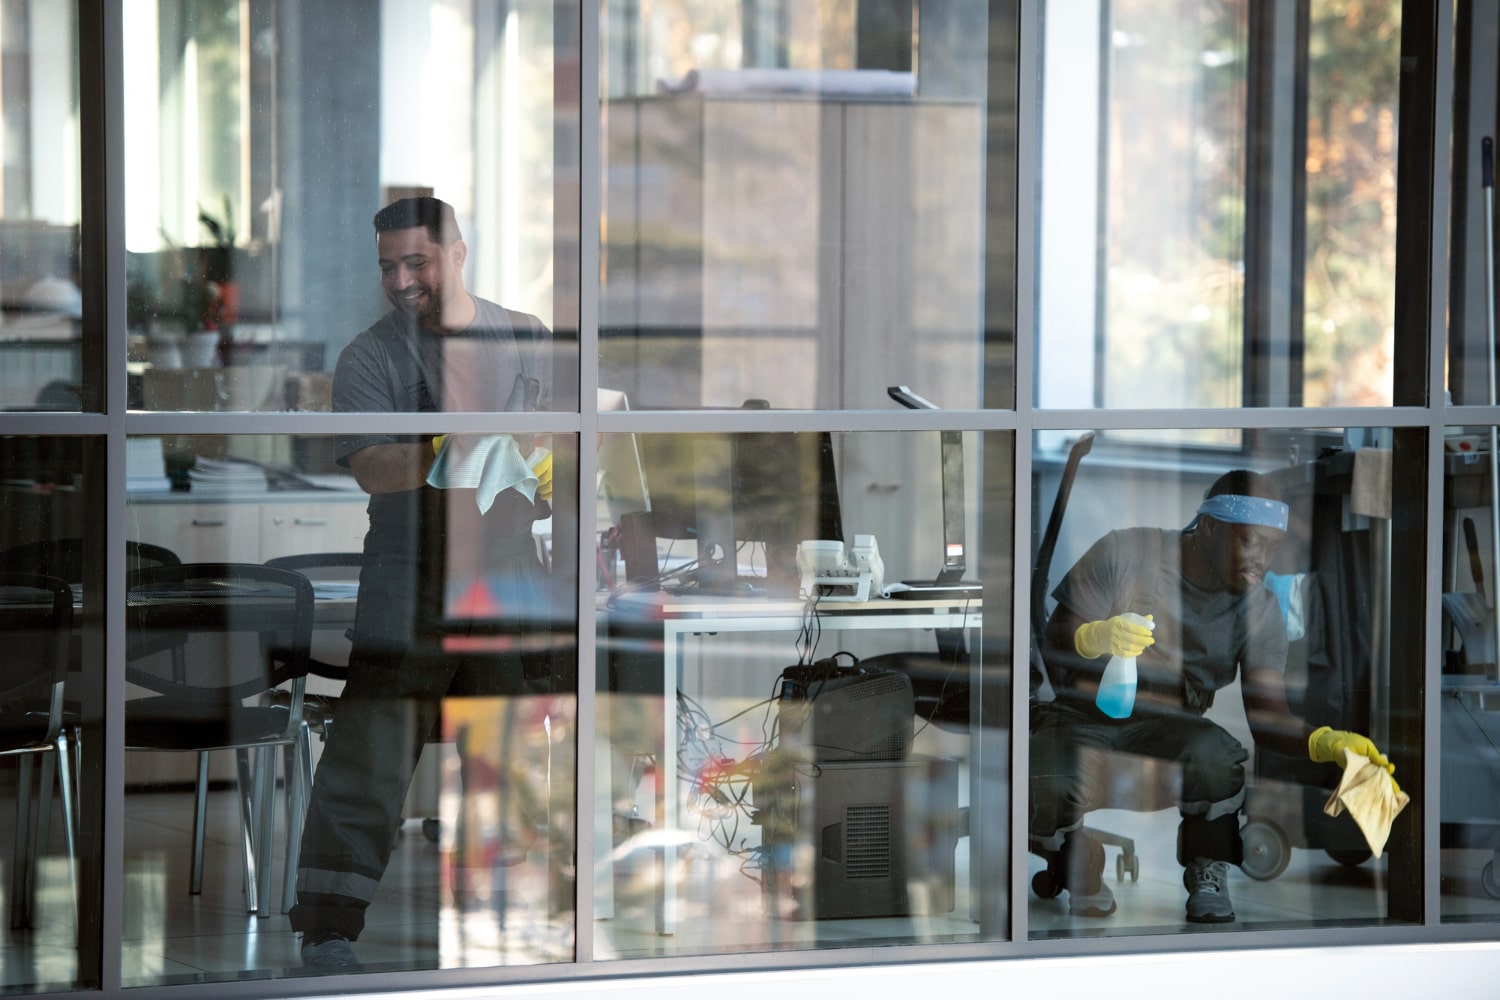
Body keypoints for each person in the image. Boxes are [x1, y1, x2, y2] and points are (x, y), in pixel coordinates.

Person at [290, 196, 555, 968]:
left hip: (507, 574)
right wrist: (454, 443)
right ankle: (329, 928)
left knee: (509, 753)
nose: (401, 280)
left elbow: (564, 444)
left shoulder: (527, 336)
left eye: (418, 262)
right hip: (407, 577)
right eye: (388, 267)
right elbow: (373, 467)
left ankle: (511, 918)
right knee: (369, 757)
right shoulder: (369, 358)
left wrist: (551, 467)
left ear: (459, 252)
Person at [1030, 469, 1398, 924]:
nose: (1261, 559)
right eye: (1250, 541)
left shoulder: (1259, 610)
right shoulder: (1128, 551)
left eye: (1272, 547)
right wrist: (1095, 636)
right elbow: (1054, 639)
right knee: (1041, 779)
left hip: (1169, 722)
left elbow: (1266, 717)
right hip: (1080, 714)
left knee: (1218, 754)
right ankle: (1076, 855)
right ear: (1209, 528)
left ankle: (1207, 871)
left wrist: (1327, 742)